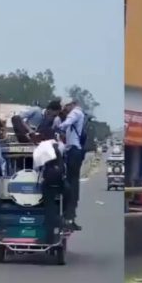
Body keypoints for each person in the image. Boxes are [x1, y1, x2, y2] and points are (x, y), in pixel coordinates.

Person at [55, 97, 86, 231]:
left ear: (70, 105)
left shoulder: (76, 112)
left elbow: (66, 123)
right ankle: (69, 216)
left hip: (74, 151)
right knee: (72, 184)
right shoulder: (80, 113)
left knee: (71, 185)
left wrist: (58, 127)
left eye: (65, 108)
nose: (65, 111)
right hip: (74, 151)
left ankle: (68, 216)